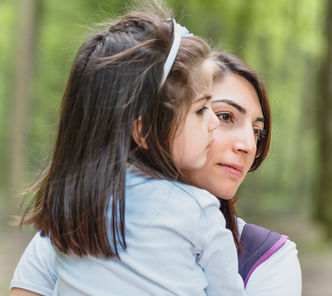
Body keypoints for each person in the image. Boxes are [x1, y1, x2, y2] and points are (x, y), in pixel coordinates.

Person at [10, 53, 301, 295]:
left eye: (256, 131)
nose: (248, 145)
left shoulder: (268, 257)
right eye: (224, 116)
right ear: (158, 119)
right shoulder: (84, 223)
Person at [10, 4, 247, 295]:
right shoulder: (197, 210)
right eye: (200, 109)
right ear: (145, 129)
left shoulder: (69, 206)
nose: (213, 122)